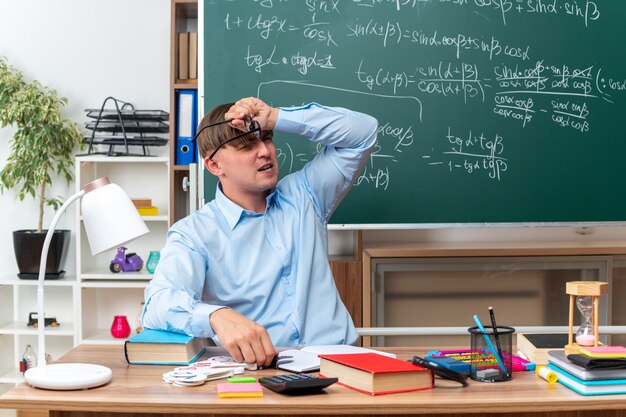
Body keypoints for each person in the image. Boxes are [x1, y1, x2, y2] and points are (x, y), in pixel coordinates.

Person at [142, 97, 377, 367]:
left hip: (338, 363)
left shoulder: (305, 195)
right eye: (247, 145)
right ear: (214, 165)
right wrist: (217, 317)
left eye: (267, 138)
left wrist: (276, 116)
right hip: (260, 371)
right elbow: (157, 304)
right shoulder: (193, 233)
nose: (265, 151)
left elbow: (364, 131)